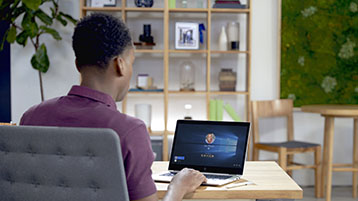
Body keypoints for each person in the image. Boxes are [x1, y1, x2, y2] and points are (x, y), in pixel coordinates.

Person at [20, 13, 206, 201]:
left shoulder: (31, 117)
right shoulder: (130, 131)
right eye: (131, 62)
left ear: (77, 65)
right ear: (120, 65)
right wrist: (178, 186)